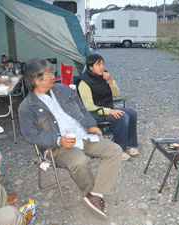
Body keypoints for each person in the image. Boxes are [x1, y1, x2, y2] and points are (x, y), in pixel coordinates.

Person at [18, 58, 122, 220]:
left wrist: (91, 125)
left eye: (52, 72)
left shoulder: (63, 89)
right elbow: (31, 135)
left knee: (114, 150)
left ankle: (94, 194)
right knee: (80, 161)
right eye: (49, 74)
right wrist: (58, 140)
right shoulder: (26, 107)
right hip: (58, 146)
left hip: (82, 135)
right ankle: (91, 193)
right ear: (36, 80)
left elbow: (82, 109)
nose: (54, 77)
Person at [75, 54, 139, 161]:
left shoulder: (103, 77)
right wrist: (110, 111)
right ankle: (120, 150)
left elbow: (116, 93)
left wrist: (110, 80)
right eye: (98, 64)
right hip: (93, 114)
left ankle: (130, 145)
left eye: (103, 64)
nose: (102, 67)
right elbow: (89, 107)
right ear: (90, 67)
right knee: (122, 117)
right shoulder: (84, 82)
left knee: (132, 113)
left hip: (106, 109)